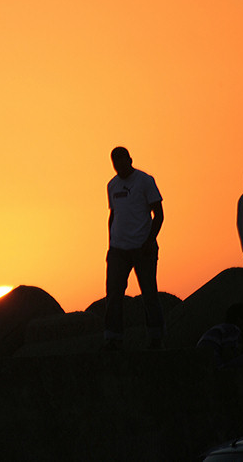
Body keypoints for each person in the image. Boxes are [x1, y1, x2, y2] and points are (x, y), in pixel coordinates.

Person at [103, 146, 165, 350]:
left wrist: (149, 242)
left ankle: (156, 337)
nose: (119, 167)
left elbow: (159, 214)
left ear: (130, 160)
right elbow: (113, 214)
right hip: (118, 250)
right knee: (114, 294)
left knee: (149, 293)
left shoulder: (145, 181)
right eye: (115, 164)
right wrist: (111, 242)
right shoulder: (112, 185)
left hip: (142, 248)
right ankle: (113, 338)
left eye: (122, 162)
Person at [197, 303, 243, 389]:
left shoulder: (223, 329)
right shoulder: (232, 329)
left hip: (208, 370)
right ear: (239, 320)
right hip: (218, 369)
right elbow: (228, 356)